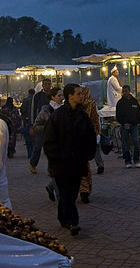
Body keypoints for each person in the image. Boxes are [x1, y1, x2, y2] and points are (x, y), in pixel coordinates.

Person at [43, 84, 96, 236]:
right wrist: (56, 159)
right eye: (78, 93)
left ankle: (63, 217)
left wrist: (88, 154)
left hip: (77, 163)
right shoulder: (58, 116)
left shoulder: (82, 115)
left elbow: (90, 136)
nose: (81, 96)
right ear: (70, 96)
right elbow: (49, 141)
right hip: (61, 164)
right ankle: (73, 222)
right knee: (66, 193)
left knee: (71, 194)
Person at [31, 87, 64, 201]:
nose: (61, 98)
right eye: (59, 96)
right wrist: (48, 128)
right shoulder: (46, 110)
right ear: (52, 97)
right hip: (51, 145)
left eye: (62, 95)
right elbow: (36, 126)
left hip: (64, 144)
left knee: (63, 170)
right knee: (56, 170)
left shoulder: (64, 109)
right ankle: (61, 197)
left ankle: (51, 187)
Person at [79, 86, 103, 202]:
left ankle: (83, 189)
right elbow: (95, 120)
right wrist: (97, 133)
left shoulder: (75, 105)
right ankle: (85, 190)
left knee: (80, 165)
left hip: (80, 138)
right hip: (87, 138)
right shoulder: (90, 104)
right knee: (84, 165)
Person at [116, 85, 140, 168]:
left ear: (129, 91)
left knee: (136, 142)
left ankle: (136, 159)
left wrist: (139, 121)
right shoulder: (120, 103)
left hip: (134, 125)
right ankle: (127, 160)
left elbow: (138, 112)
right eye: (123, 91)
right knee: (125, 143)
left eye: (126, 91)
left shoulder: (134, 101)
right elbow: (118, 115)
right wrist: (124, 123)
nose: (124, 93)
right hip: (124, 126)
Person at [29, 79, 52, 173]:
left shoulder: (53, 95)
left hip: (51, 125)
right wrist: (32, 125)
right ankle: (33, 164)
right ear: (42, 85)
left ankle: (50, 169)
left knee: (51, 148)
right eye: (45, 84)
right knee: (38, 147)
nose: (47, 86)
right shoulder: (38, 96)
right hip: (40, 125)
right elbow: (33, 110)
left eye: (49, 84)